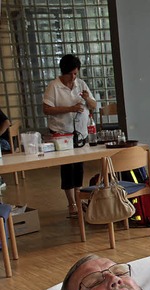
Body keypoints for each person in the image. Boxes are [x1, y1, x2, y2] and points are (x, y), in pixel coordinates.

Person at [43, 54, 97, 218]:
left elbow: (94, 105)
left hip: (79, 131)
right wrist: (70, 108)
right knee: (67, 167)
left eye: (75, 73)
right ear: (63, 72)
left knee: (79, 166)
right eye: (70, 74)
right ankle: (71, 203)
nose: (73, 77)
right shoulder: (54, 86)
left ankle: (79, 199)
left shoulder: (81, 84)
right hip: (61, 132)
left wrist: (88, 100)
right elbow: (47, 109)